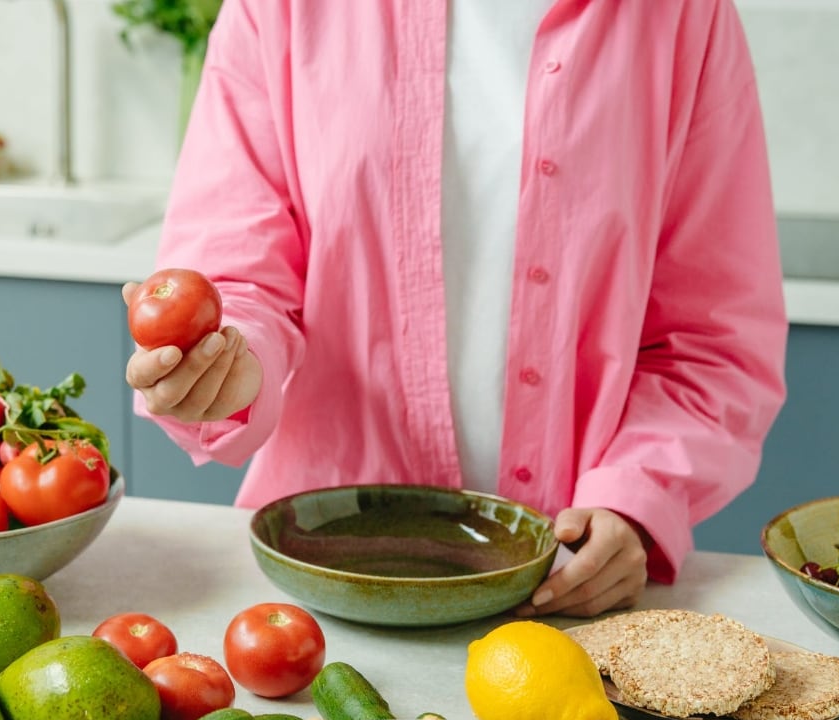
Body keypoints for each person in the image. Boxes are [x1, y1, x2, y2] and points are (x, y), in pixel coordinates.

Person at [124, 0, 789, 618]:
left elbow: (712, 338)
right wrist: (228, 361)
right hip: (332, 581)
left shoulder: (681, 14)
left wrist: (637, 498)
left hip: (568, 594)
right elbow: (237, 275)